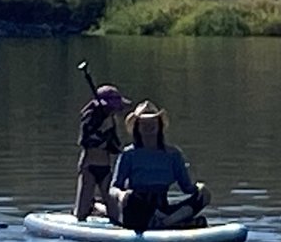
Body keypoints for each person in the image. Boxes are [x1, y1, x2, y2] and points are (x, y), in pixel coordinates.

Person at [108, 100, 211, 231]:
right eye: (143, 123)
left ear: (159, 125)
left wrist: (199, 189)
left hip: (163, 209)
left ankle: (166, 222)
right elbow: (114, 188)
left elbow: (187, 188)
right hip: (138, 208)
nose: (148, 127)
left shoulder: (173, 154)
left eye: (152, 122)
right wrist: (121, 195)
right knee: (131, 199)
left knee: (204, 195)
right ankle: (174, 222)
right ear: (137, 127)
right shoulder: (129, 154)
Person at [74, 84, 131, 221]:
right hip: (89, 167)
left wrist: (108, 135)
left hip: (105, 168)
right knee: (81, 212)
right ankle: (88, 208)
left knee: (114, 212)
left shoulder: (111, 121)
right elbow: (85, 141)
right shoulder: (89, 119)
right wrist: (100, 132)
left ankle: (98, 207)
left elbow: (115, 147)